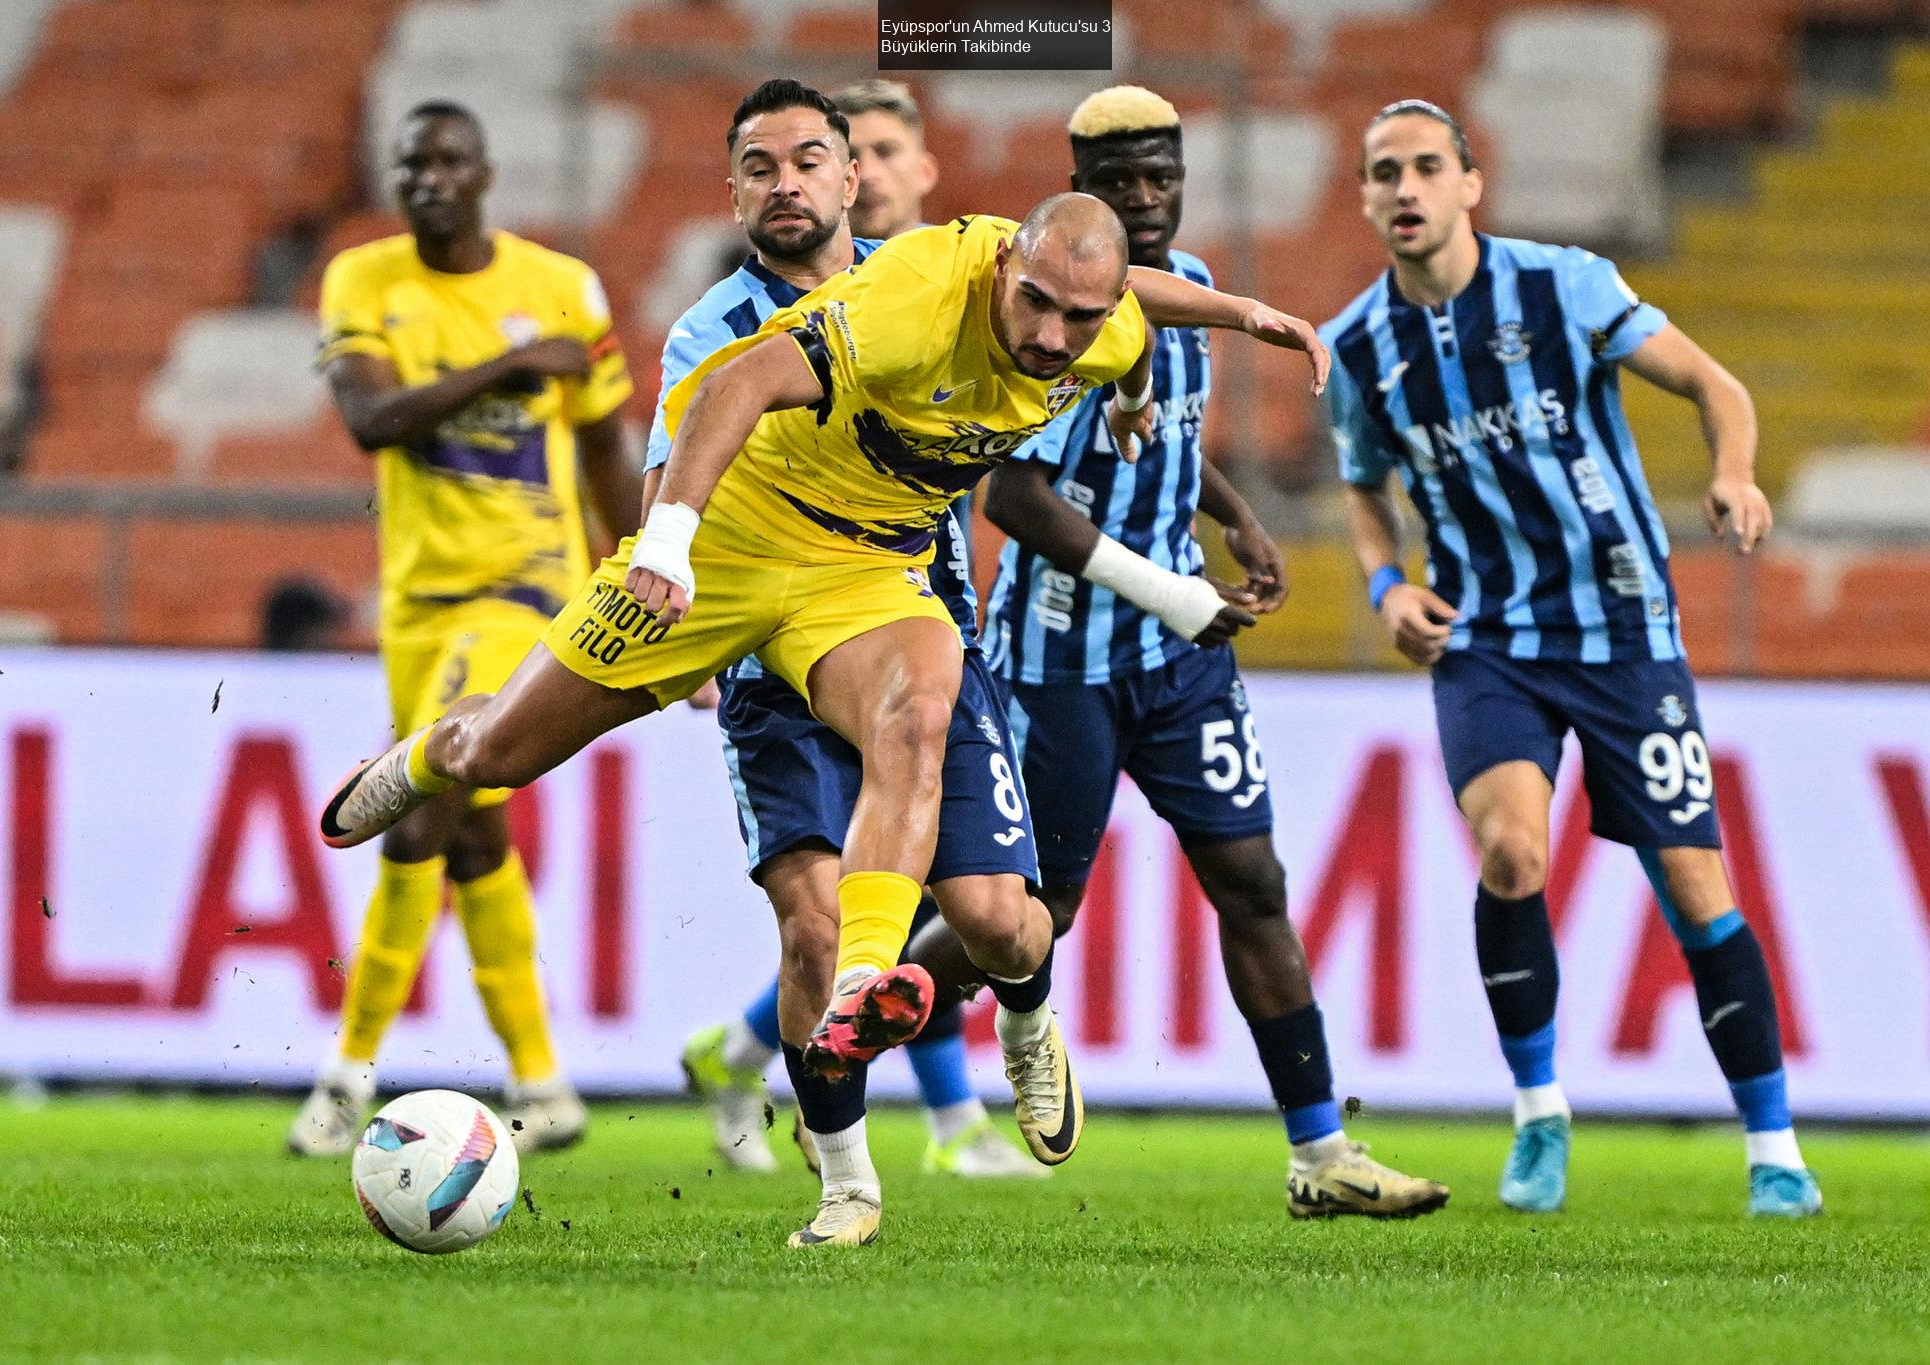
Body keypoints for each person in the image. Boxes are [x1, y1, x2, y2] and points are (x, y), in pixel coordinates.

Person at [315, 140, 1328, 1231]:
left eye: (1075, 320)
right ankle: (425, 754)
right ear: (1001, 273)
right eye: (1032, 304)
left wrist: (1232, 325)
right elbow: (742, 379)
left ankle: (863, 994)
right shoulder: (910, 298)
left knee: (920, 710)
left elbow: (1133, 306)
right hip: (730, 553)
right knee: (497, 759)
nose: (1048, 337)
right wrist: (667, 538)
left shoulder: (1095, 323)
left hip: (862, 574)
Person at [1324, 100, 1821, 1218]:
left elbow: (1713, 385)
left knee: (1694, 892)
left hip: (1623, 631)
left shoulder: (1564, 287)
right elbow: (1361, 485)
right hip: (1485, 639)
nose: (1403, 189)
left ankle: (1773, 1145)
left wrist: (1734, 473)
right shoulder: (1356, 345)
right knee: (1510, 854)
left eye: (1422, 169)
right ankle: (1538, 1114)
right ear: (1361, 198)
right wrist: (1384, 582)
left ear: (1467, 184)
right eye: (1380, 173)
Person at [971, 85, 1449, 1220]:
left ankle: (1322, 1152)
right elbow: (1016, 494)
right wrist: (1166, 586)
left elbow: (1159, 446)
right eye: (1118, 180)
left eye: (1158, 177)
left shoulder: (1179, 293)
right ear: (1078, 182)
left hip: (1179, 662)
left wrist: (1224, 513)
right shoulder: (1049, 307)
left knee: (1252, 880)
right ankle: (829, 1036)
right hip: (1059, 663)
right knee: (1030, 918)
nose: (1141, 199)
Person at [670, 81, 1044, 1199]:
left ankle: (745, 1054)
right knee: (826, 927)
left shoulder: (929, 290)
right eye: (761, 166)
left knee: (969, 915)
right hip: (773, 657)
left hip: (921, 642)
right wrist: (674, 601)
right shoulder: (712, 330)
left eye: (826, 159)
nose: (792, 184)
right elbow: (670, 475)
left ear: (868, 176)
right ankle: (866, 1164)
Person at [287, 101, 641, 1158]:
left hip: (530, 591)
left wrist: (646, 590)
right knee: (475, 835)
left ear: (487, 172)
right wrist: (510, 368)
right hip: (418, 599)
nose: (429, 176)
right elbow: (369, 420)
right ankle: (543, 1085)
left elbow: (605, 452)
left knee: (423, 810)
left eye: (449, 160)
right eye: (412, 163)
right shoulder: (365, 279)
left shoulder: (560, 287)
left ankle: (346, 1075)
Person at [835, 78, 940, 241]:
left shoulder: (968, 262)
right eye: (848, 156)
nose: (866, 174)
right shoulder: (789, 264)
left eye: (886, 152)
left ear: (926, 172)